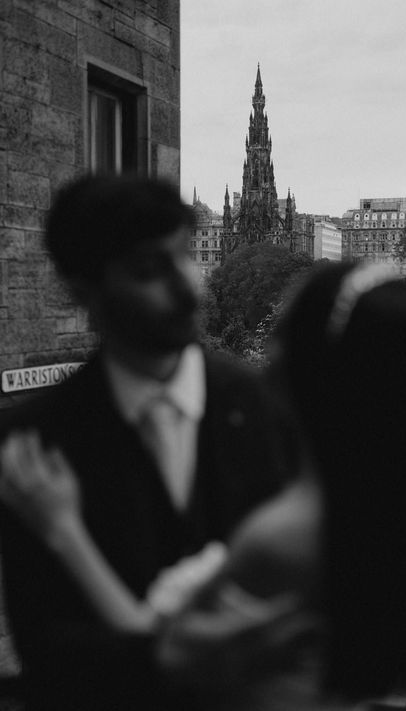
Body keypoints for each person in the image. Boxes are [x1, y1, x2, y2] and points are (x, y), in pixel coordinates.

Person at [0, 262, 406, 710]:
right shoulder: (389, 509)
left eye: (281, 327)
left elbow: (158, 644)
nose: (268, 346)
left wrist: (64, 530)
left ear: (307, 363)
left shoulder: (281, 539)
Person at [0, 174, 296, 711]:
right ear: (80, 288)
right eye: (148, 268)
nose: (188, 286)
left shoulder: (263, 407)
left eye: (184, 255)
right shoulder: (36, 442)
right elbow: (51, 655)